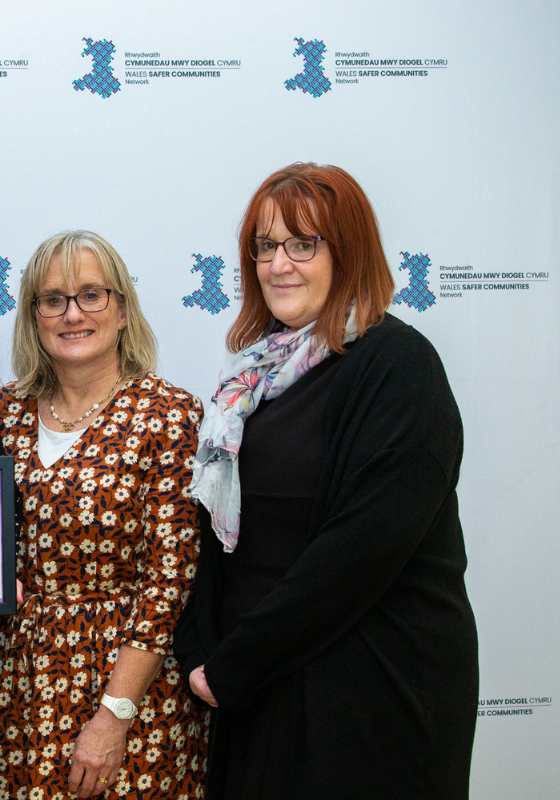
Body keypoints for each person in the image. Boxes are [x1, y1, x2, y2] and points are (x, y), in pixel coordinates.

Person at [175, 163, 478, 799]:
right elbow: (227, 537)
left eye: (302, 244)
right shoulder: (254, 380)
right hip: (262, 689)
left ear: (349, 252)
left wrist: (235, 664)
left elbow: (360, 550)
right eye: (265, 246)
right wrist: (200, 646)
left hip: (366, 697)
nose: (278, 264)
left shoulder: (398, 365)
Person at [0, 231, 208, 800]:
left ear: (123, 309)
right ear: (33, 317)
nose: (72, 314)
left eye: (91, 295)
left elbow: (169, 582)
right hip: (13, 689)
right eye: (52, 299)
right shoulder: (1, 412)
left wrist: (115, 714)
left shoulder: (168, 415)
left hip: (128, 697)